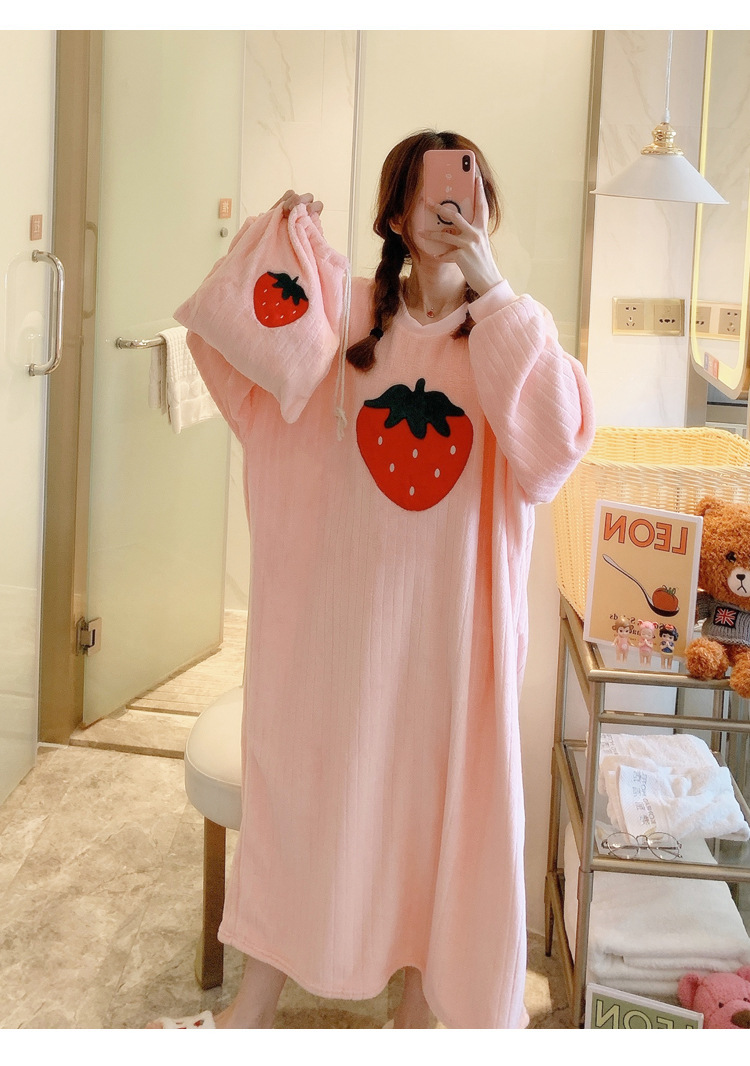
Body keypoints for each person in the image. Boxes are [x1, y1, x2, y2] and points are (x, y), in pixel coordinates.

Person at [149, 129, 595, 1030]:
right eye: (434, 193)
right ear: (395, 214)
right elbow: (232, 338)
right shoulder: (346, 314)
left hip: (450, 646)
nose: (453, 206)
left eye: (469, 191)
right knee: (312, 798)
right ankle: (250, 1012)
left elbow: (552, 454)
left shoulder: (514, 330)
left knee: (439, 824)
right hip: (339, 634)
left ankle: (417, 1019)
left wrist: (493, 289)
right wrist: (280, 244)